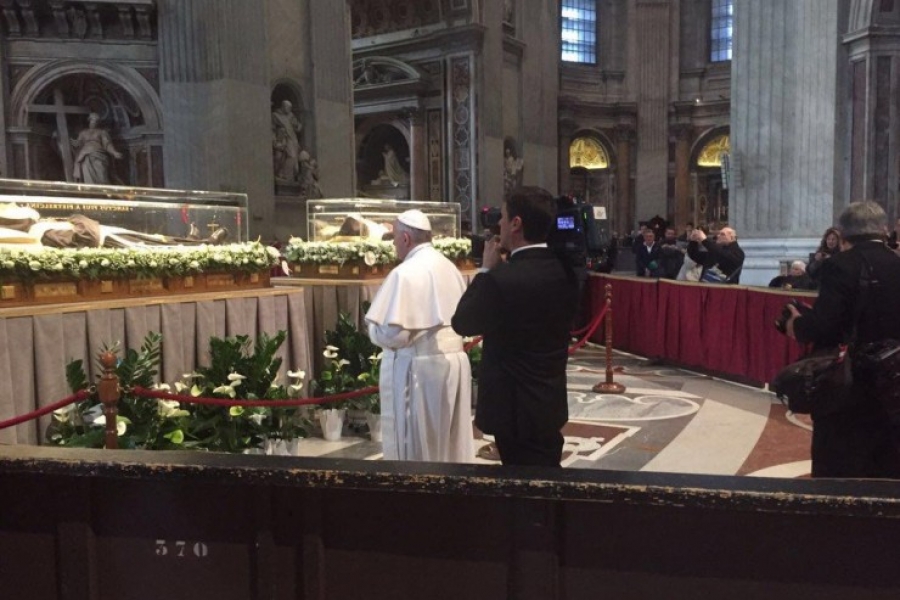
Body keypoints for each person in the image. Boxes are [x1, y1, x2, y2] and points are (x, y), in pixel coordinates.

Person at [451, 186, 580, 467]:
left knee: (526, 483)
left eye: (503, 216)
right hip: (548, 401)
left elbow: (462, 322)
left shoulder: (502, 279)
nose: (499, 223)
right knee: (546, 472)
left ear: (516, 224)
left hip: (514, 409)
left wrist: (486, 270)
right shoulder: (566, 271)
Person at [783, 201, 900, 478]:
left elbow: (824, 326)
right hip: (894, 381)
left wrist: (795, 323)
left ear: (843, 232)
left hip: (851, 382)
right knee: (887, 463)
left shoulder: (840, 265)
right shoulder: (897, 262)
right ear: (884, 230)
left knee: (839, 464)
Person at [365, 209, 473, 463]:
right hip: (454, 363)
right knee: (450, 441)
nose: (393, 244)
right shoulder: (449, 266)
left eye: (394, 238)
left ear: (405, 238)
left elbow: (395, 335)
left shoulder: (405, 273)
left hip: (420, 372)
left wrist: (372, 331)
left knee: (418, 445)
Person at [71, 112, 123, 185]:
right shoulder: (83, 133)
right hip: (85, 155)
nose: (94, 122)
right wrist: (69, 140)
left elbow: (107, 144)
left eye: (96, 120)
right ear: (89, 120)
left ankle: (104, 188)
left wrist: (114, 152)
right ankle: (90, 189)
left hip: (99, 154)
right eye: (93, 120)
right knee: (86, 171)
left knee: (101, 173)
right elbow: (77, 144)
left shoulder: (102, 132)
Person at [272, 100, 303, 182]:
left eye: (291, 108)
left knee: (293, 161)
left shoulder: (291, 116)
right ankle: (282, 174)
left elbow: (298, 128)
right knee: (286, 157)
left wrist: (296, 125)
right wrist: (274, 141)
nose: (290, 109)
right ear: (283, 106)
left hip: (292, 139)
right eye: (288, 107)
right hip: (282, 139)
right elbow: (272, 129)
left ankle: (287, 176)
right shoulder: (275, 115)